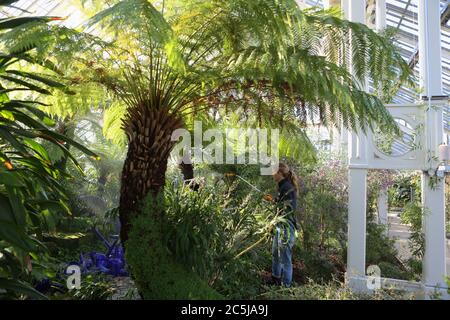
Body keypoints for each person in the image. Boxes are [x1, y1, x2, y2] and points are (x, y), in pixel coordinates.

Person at [265, 162, 299, 287]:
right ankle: (275, 278)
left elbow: (287, 209)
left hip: (286, 227)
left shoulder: (286, 186)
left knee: (285, 257)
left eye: (274, 172)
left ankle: (285, 286)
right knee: (275, 252)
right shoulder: (282, 186)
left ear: (280, 173)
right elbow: (283, 203)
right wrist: (273, 200)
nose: (272, 174)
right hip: (280, 225)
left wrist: (276, 204)